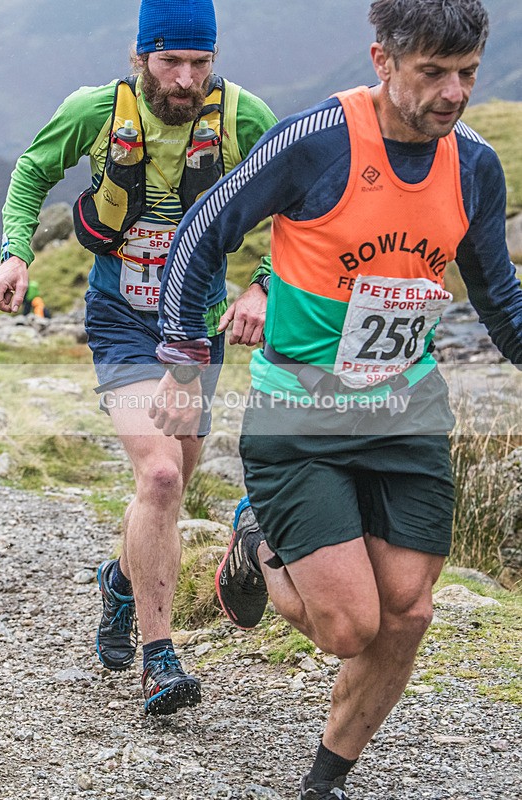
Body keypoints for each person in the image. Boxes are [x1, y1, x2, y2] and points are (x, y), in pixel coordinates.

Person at [151, 0, 522, 795]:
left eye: (466, 73)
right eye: (432, 72)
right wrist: (184, 362)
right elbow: (202, 230)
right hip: (300, 410)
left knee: (408, 610)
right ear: (382, 61)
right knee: (349, 626)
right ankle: (257, 541)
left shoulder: (474, 165)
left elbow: (499, 297)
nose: (453, 93)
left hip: (406, 407)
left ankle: (325, 782)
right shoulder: (318, 140)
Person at [0, 0, 276, 716]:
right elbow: (31, 171)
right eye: (170, 62)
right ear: (141, 55)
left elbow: (305, 206)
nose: (184, 79)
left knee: (171, 485)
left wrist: (264, 283)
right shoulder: (94, 110)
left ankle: (120, 582)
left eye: (199, 64)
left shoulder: (244, 119)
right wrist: (17, 252)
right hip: (120, 318)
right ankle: (160, 658)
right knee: (159, 475)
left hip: (198, 326)